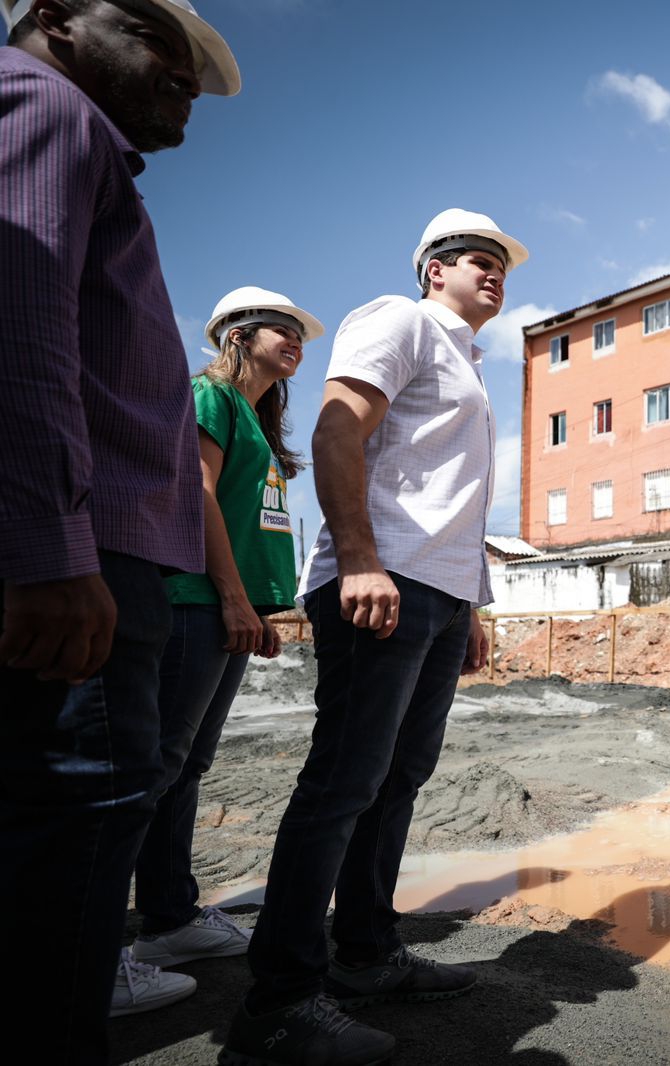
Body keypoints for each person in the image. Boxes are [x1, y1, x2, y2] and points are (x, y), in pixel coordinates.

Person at [223, 209, 529, 1066]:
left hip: (437, 593)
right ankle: (278, 1005)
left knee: (397, 779)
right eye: (477, 259)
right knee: (343, 783)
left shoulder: (467, 360)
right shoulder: (399, 321)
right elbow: (336, 430)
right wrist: (359, 557)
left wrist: (471, 605)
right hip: (381, 579)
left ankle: (363, 954)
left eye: (502, 265)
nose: (494, 273)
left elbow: (451, 497)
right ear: (434, 269)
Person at [0, 0, 239, 1059]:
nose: (184, 78)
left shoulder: (75, 139)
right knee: (80, 822)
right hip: (83, 554)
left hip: (100, 552)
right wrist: (51, 549)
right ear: (55, 17)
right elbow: (20, 322)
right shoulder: (46, 109)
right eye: (154, 38)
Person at [119, 289, 323, 1011]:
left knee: (185, 766)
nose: (295, 339)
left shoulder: (255, 419)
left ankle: (169, 920)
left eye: (300, 332)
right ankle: (90, 949)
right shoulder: (209, 396)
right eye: (281, 328)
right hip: (195, 604)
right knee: (154, 768)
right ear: (238, 335)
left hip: (227, 608)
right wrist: (232, 597)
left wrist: (256, 607)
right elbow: (196, 495)